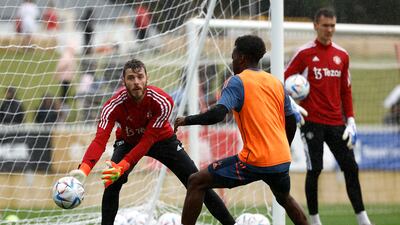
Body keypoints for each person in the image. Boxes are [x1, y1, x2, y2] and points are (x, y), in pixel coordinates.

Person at [69, 59, 236, 225]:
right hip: (128, 142)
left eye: (140, 77)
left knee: (197, 181)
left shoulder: (163, 101)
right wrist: (84, 170)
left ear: (147, 78)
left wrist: (123, 165)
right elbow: (100, 140)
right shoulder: (112, 106)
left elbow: (148, 140)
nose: (136, 82)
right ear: (123, 81)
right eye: (131, 78)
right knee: (112, 182)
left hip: (162, 140)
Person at [174, 35, 309, 225]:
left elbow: (218, 115)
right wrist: (283, 147)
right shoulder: (276, 83)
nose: (232, 60)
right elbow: (291, 120)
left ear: (242, 58)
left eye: (233, 55)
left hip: (255, 160)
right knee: (285, 198)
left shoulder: (237, 82)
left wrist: (187, 120)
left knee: (196, 181)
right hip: (280, 159)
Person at [284, 8, 372, 225]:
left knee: (351, 168)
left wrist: (350, 120)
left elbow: (346, 91)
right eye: (325, 25)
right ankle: (314, 220)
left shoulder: (342, 56)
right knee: (315, 169)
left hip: (337, 123)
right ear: (316, 26)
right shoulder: (304, 54)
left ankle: (363, 220)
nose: (329, 30)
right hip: (311, 122)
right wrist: (293, 105)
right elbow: (283, 81)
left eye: (333, 25)